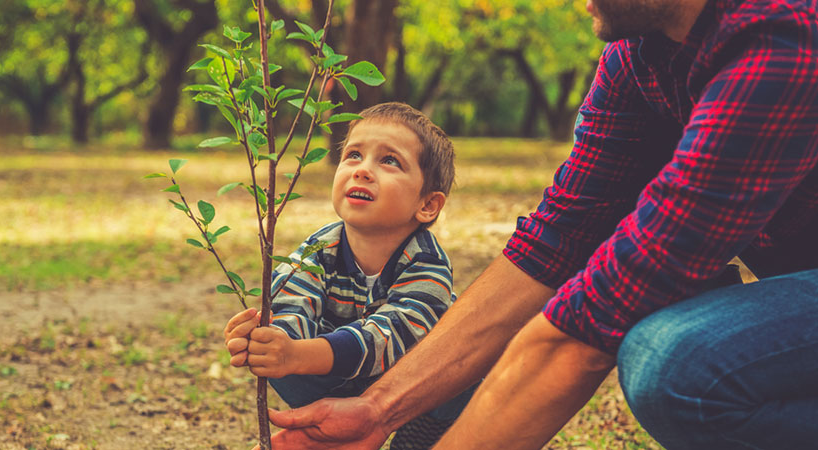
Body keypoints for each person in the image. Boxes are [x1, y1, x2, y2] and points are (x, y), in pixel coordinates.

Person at [263, 0, 818, 448]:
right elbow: (556, 241)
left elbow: (610, 303)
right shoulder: (636, 58)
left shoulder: (781, 36)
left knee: (675, 361)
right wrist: (377, 409)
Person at [224, 102, 476, 448]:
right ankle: (331, 430)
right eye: (354, 155)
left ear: (427, 204)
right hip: (340, 377)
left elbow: (388, 338)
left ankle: (421, 436)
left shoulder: (427, 264)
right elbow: (290, 302)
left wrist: (298, 354)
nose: (362, 170)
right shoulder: (320, 248)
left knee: (471, 371)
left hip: (411, 386)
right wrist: (267, 340)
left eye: (390, 161)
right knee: (282, 358)